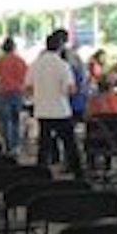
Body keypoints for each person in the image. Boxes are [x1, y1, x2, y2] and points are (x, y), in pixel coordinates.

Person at [26, 34, 81, 177]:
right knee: (69, 144)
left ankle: (40, 173)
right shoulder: (63, 65)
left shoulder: (35, 64)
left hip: (42, 110)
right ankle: (78, 172)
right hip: (61, 110)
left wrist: (40, 94)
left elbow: (28, 88)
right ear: (60, 46)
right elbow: (70, 89)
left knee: (44, 145)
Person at [0, 37, 27, 155]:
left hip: (3, 92)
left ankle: (8, 146)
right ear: (14, 47)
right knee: (15, 119)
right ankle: (16, 145)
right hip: (17, 92)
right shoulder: (20, 61)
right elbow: (24, 78)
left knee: (5, 120)